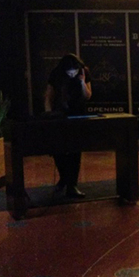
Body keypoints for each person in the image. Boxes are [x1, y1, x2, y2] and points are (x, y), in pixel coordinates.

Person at [44, 53, 92, 198]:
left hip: (78, 114)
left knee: (75, 151)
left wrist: (82, 81)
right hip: (59, 115)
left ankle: (72, 185)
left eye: (74, 70)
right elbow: (49, 95)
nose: (72, 73)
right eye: (69, 71)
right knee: (58, 149)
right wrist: (49, 114)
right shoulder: (56, 73)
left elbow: (88, 95)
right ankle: (64, 178)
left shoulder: (83, 71)